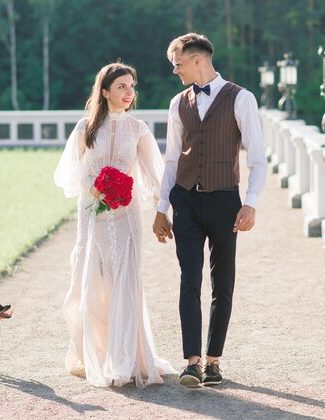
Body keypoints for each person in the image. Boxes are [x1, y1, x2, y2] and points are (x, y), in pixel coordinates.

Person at [152, 33, 267, 388]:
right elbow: (171, 159)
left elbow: (258, 158)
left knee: (223, 282)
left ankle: (214, 361)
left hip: (224, 201)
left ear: (197, 59)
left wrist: (251, 203)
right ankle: (192, 362)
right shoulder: (177, 103)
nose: (175, 70)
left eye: (178, 63)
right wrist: (161, 207)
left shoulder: (241, 98)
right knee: (190, 279)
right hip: (185, 199)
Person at [54, 62, 175, 387]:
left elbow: (154, 174)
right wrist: (92, 185)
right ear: (104, 91)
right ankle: (94, 350)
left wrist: (162, 212)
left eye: (131, 86)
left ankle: (125, 357)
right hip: (91, 213)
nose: (129, 92)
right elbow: (69, 172)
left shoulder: (138, 128)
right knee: (92, 280)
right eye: (122, 86)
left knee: (125, 281)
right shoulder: (85, 128)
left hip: (126, 217)